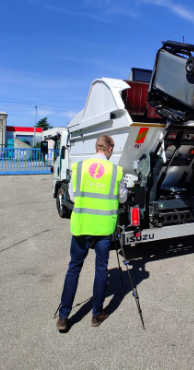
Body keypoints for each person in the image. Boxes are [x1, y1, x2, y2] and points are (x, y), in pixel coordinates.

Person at [56, 135, 127, 332]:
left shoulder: (79, 168)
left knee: (74, 268)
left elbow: (72, 195)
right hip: (104, 228)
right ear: (110, 149)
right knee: (101, 269)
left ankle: (63, 317)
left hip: (82, 226)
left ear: (97, 147)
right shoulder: (116, 171)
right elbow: (122, 198)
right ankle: (96, 314)